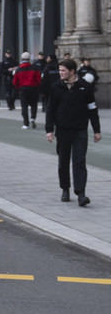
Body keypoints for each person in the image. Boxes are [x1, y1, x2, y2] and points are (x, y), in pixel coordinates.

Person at [45, 59, 101, 207]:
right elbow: (50, 109)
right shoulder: (56, 87)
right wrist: (49, 129)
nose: (60, 73)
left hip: (80, 130)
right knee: (63, 161)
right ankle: (65, 189)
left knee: (79, 161)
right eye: (59, 70)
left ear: (72, 71)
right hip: (63, 130)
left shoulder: (85, 87)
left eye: (63, 70)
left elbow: (92, 109)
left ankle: (81, 193)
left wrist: (97, 130)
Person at [13, 52, 42, 129]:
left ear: (21, 59)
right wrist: (36, 86)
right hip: (33, 88)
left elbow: (15, 82)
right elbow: (39, 79)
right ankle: (33, 117)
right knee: (34, 105)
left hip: (23, 89)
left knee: (24, 107)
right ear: (29, 59)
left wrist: (18, 88)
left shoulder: (18, 69)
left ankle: (26, 123)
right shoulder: (35, 68)